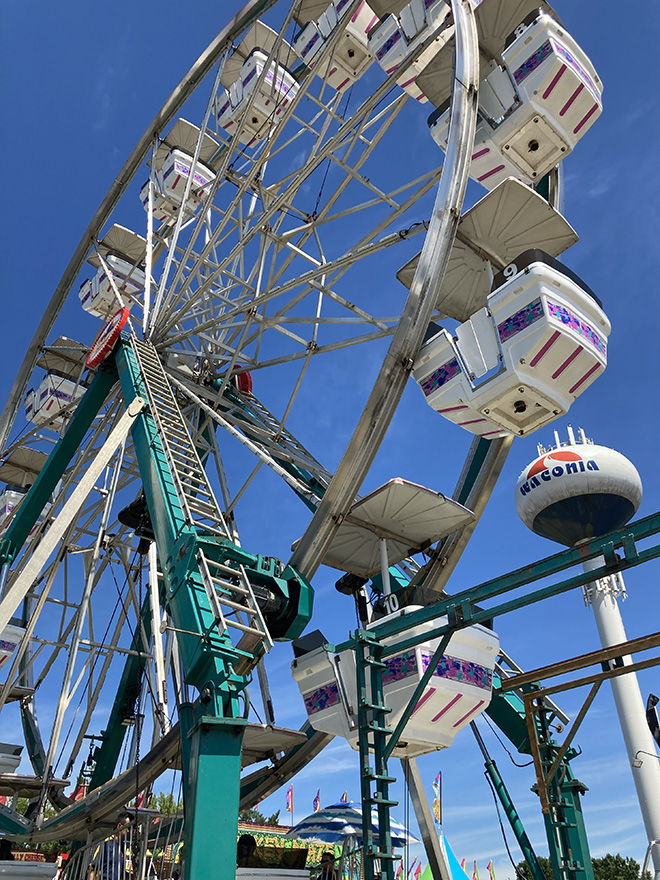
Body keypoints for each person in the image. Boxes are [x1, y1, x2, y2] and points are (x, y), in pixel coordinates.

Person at [88, 811, 134, 880]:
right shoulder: (105, 844)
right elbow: (92, 871)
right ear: (119, 826)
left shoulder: (122, 846)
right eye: (128, 828)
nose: (129, 832)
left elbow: (119, 872)